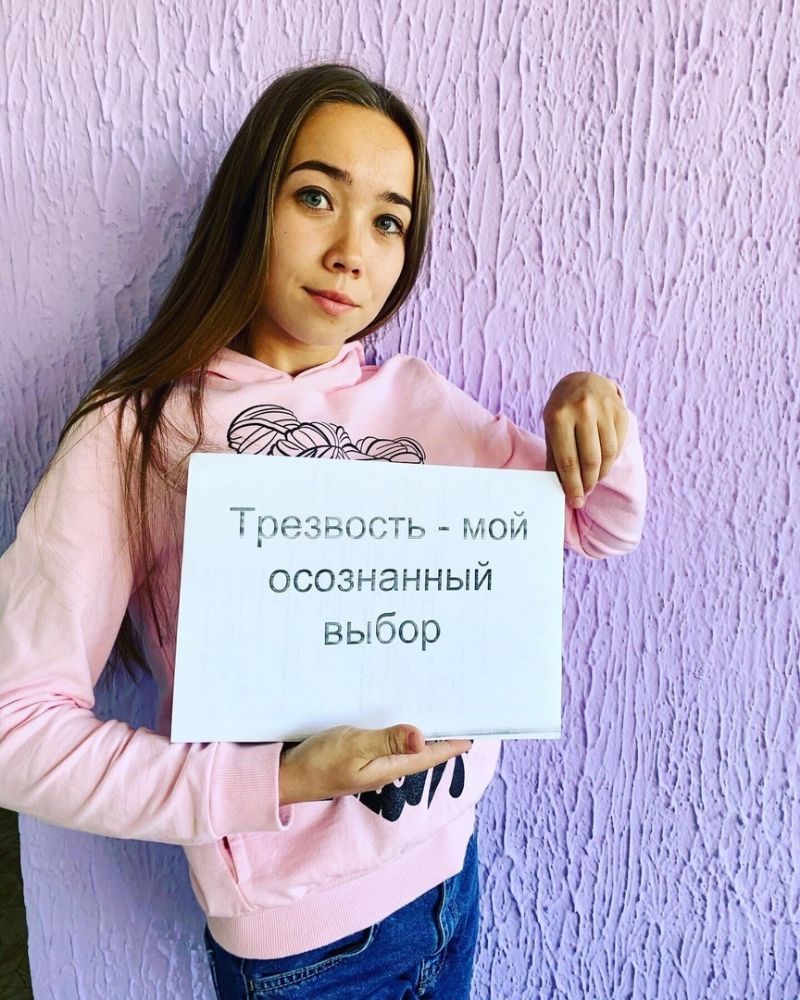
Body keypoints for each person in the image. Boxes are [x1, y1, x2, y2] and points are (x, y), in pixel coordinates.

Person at [0, 62, 647, 999]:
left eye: (389, 221)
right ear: (250, 206)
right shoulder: (139, 433)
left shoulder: (418, 401)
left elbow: (598, 525)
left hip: (451, 882)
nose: (352, 252)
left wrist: (592, 409)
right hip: (307, 952)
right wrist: (278, 782)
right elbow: (16, 730)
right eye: (316, 197)